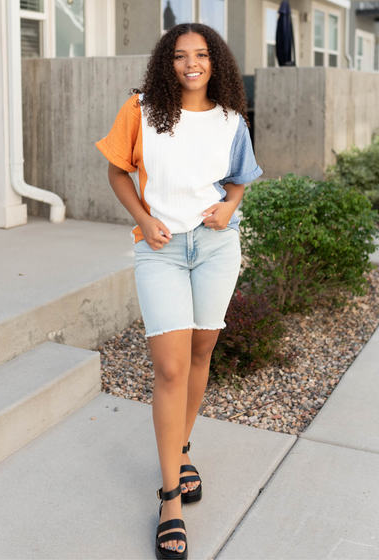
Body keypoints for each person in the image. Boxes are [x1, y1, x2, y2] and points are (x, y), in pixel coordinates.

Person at [95, 22, 263, 559]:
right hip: (161, 250)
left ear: (217, 62)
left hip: (216, 248)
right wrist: (143, 220)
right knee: (168, 367)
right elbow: (117, 172)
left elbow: (239, 178)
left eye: (202, 54)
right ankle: (170, 496)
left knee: (199, 352)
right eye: (180, 55)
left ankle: (181, 449)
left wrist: (230, 206)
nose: (191, 63)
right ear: (166, 62)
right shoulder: (141, 109)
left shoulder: (232, 119)